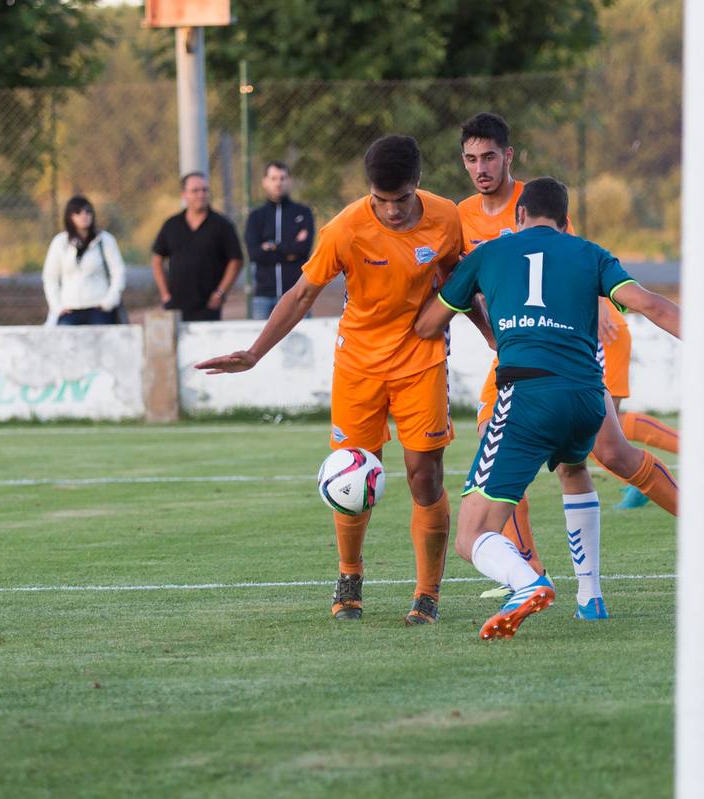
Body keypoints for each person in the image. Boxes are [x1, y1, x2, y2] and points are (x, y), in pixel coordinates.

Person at [419, 177, 704, 639]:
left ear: (519, 217)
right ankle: (591, 597)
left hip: (526, 395)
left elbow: (429, 324)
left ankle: (528, 581)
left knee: (470, 535)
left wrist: (453, 289)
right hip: (589, 396)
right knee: (577, 467)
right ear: (566, 223)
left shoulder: (487, 254)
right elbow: (652, 305)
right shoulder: (590, 253)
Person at [196, 135, 475, 627]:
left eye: (401, 199)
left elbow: (461, 284)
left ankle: (427, 593)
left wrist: (498, 340)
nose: (390, 211)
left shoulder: (446, 217)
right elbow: (303, 294)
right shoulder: (345, 228)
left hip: (421, 361)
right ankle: (349, 576)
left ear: (418, 185)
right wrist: (255, 353)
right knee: (352, 471)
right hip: (358, 367)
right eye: (380, 201)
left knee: (424, 476)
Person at [454, 112, 686, 610]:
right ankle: (535, 568)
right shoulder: (460, 216)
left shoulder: (536, 203)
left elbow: (576, 263)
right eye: (471, 159)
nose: (481, 168)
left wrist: (603, 308)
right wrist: (488, 331)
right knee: (510, 435)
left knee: (604, 452)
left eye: (489, 157)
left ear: (508, 156)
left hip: (574, 342)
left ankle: (540, 575)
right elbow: (462, 286)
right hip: (519, 353)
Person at [151, 172, 243, 321]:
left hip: (208, 306)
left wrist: (221, 293)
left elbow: (236, 260)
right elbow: (156, 259)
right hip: (175, 306)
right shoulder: (171, 224)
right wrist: (165, 295)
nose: (201, 194)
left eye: (205, 190)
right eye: (195, 190)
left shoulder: (222, 225)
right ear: (184, 194)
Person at [245, 161, 315, 320]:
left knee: (301, 342)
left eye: (282, 178)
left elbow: (303, 249)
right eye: (273, 178)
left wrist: (272, 246)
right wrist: (289, 250)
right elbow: (254, 254)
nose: (278, 183)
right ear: (265, 182)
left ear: (289, 181)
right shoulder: (256, 217)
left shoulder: (303, 213)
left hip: (297, 293)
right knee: (261, 343)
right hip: (264, 296)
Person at [42, 196, 125, 326]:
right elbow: (50, 277)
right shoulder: (60, 242)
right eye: (78, 212)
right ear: (70, 216)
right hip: (69, 309)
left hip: (98, 308)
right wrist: (57, 307)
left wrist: (109, 302)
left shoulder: (105, 240)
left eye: (88, 212)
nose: (84, 216)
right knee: (64, 338)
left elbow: (119, 272)